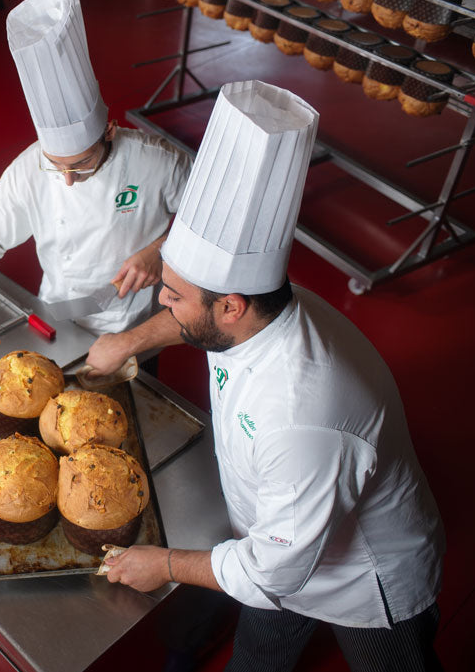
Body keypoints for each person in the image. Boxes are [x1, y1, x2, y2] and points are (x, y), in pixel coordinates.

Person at [100, 81, 445, 671]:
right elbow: (193, 321)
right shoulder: (264, 312)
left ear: (230, 306)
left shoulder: (301, 415)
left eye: (173, 295)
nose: (161, 299)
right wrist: (129, 341)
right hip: (274, 535)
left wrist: (164, 564)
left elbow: (270, 570)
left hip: (360, 578)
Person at [0, 0, 190, 374]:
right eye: (56, 165)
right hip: (59, 316)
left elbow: (207, 215)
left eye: (80, 164)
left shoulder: (157, 160)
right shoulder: (30, 168)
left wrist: (162, 250)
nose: (68, 180)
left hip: (131, 324)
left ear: (109, 131)